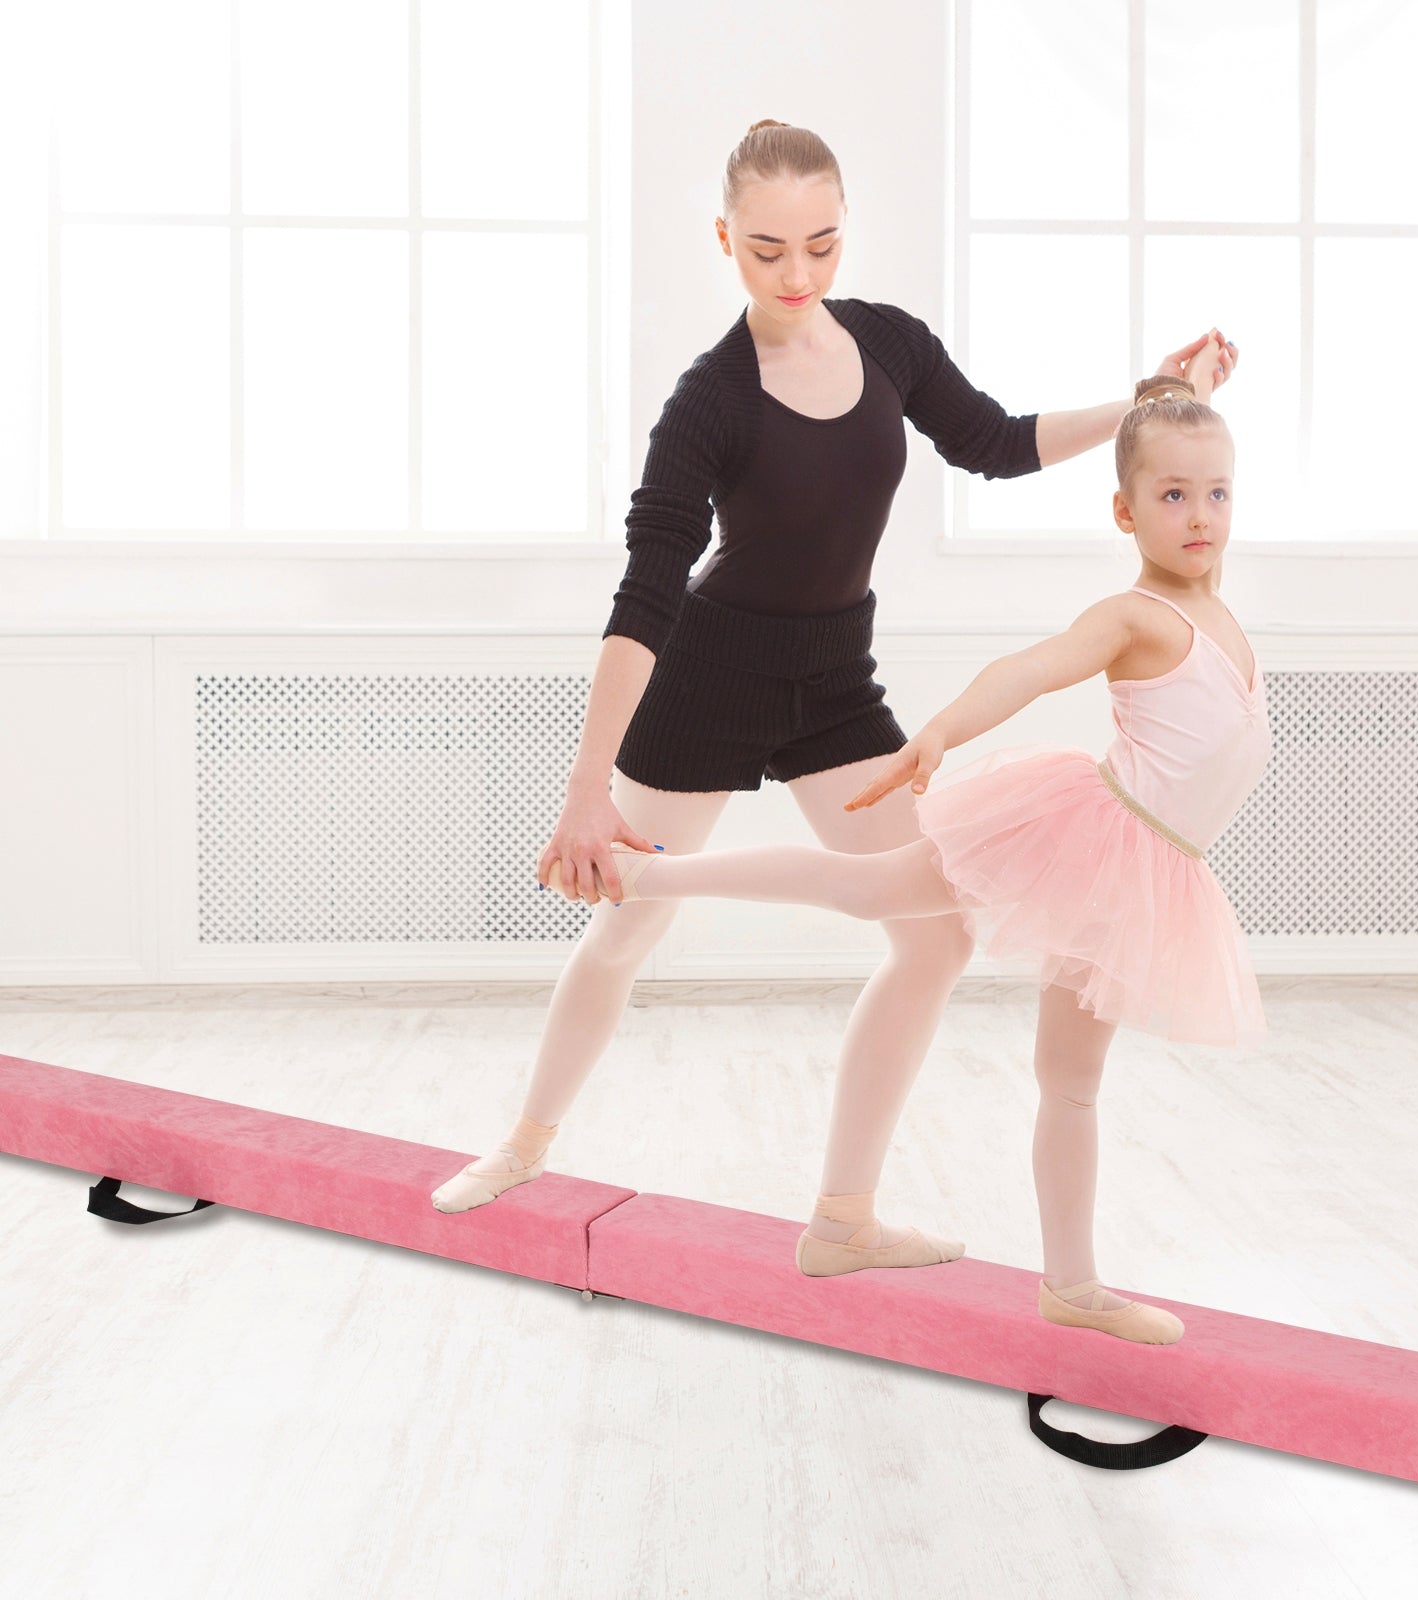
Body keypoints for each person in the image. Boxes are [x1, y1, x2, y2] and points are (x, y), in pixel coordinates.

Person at [431, 120, 1239, 1282]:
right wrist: (583, 793)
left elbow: (996, 444)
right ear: (725, 240)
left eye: (820, 244)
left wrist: (1149, 403)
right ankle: (521, 1144)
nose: (798, 275)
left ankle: (843, 1218)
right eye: (766, 251)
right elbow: (648, 590)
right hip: (709, 676)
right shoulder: (708, 401)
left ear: (844, 228)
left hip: (832, 681)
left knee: (935, 928)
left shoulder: (889, 344)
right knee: (629, 925)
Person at [557, 355, 1270, 1344]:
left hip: (1144, 877)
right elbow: (1028, 669)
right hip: (1079, 835)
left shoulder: (1220, 614)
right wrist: (942, 732)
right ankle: (649, 871)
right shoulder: (1133, 616)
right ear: (1125, 513)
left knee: (1070, 1081)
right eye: (1172, 493)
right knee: (869, 888)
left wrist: (1168, 394)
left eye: (1217, 492)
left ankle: (1072, 1284)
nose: (1198, 513)